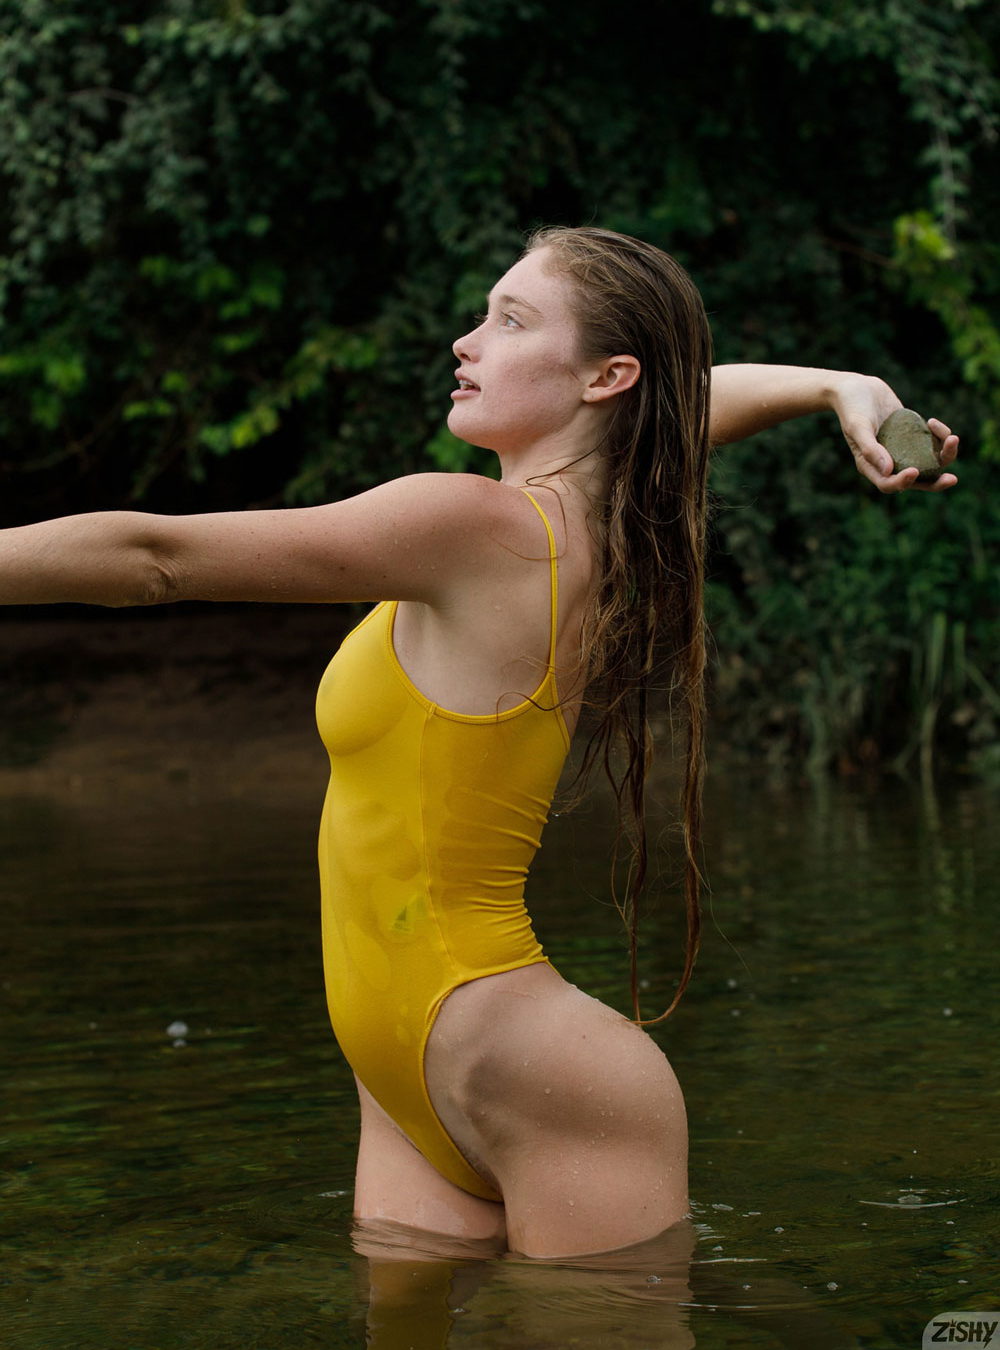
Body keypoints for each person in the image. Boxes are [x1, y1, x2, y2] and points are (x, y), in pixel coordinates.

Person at [0, 226, 958, 1261]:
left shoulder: (476, 527)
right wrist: (836, 386)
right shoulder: (578, 514)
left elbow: (156, 558)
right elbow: (682, 405)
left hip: (521, 1061)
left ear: (606, 376)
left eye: (509, 320)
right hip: (407, 1076)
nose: (466, 340)